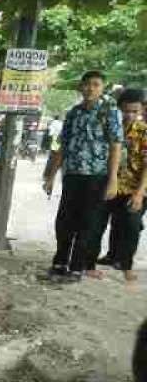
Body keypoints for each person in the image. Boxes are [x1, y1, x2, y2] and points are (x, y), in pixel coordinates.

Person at [43, 70, 124, 282]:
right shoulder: (74, 113)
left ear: (102, 88)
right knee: (64, 221)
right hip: (72, 175)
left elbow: (116, 146)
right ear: (81, 87)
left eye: (95, 85)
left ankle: (77, 267)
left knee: (87, 224)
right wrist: (51, 175)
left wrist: (113, 179)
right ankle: (60, 262)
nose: (90, 88)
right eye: (87, 84)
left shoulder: (111, 112)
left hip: (96, 177)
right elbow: (63, 145)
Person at [88, 88, 147, 281]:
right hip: (105, 186)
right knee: (95, 225)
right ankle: (89, 263)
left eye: (134, 111)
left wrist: (139, 193)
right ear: (118, 109)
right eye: (126, 110)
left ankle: (125, 264)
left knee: (131, 224)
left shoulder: (144, 132)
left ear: (141, 111)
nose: (129, 115)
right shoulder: (107, 128)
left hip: (133, 188)